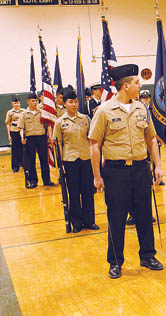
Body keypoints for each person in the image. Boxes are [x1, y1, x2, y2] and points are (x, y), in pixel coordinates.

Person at [89, 64, 164, 279]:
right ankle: (115, 261)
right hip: (116, 172)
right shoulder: (104, 111)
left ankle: (148, 255)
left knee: (143, 214)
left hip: (141, 169)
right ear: (125, 86)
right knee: (117, 217)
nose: (139, 85)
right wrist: (97, 176)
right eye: (136, 83)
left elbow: (151, 139)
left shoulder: (142, 108)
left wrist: (158, 165)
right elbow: (95, 144)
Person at [53, 86, 99, 233]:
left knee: (88, 191)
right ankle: (77, 222)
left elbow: (92, 140)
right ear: (65, 103)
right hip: (70, 160)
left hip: (86, 159)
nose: (74, 104)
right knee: (73, 192)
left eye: (76, 102)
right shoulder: (60, 122)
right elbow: (58, 144)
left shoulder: (85, 119)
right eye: (70, 102)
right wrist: (61, 165)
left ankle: (89, 221)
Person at [126, 90, 159, 226]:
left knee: (147, 186)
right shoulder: (134, 111)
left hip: (147, 152)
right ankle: (132, 214)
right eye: (143, 97)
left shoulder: (149, 111)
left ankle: (147, 213)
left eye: (147, 97)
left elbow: (152, 135)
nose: (146, 100)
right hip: (132, 154)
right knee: (129, 189)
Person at [18, 93, 54, 188]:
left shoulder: (41, 113)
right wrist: (22, 138)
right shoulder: (24, 114)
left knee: (44, 160)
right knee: (31, 161)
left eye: (36, 101)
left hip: (41, 138)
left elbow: (47, 125)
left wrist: (49, 138)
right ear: (28, 102)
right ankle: (33, 180)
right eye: (33, 101)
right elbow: (21, 128)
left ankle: (47, 180)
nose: (35, 103)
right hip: (30, 139)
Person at [5, 95, 24, 173]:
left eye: (18, 103)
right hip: (14, 131)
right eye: (15, 103)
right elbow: (8, 124)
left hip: (22, 131)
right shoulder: (10, 112)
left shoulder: (24, 111)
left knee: (23, 148)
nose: (17, 104)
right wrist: (9, 135)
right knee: (15, 149)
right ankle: (15, 166)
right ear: (12, 103)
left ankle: (23, 163)